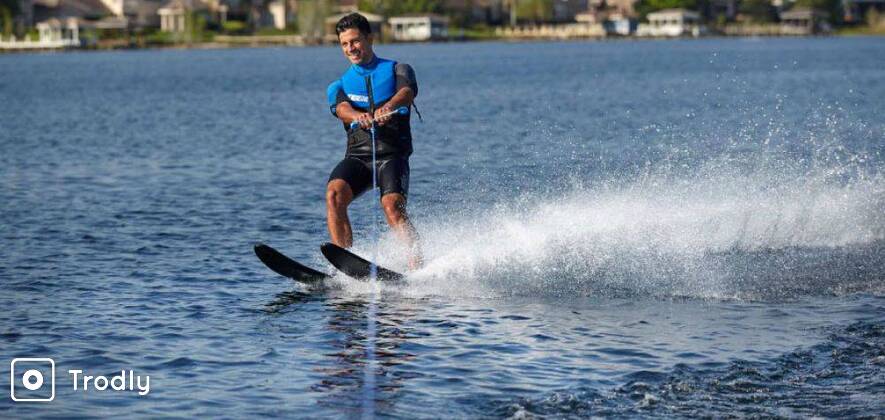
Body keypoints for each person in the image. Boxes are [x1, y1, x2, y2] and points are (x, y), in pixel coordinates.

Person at [325, 13, 422, 269]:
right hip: (359, 158)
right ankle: (345, 263)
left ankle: (417, 269)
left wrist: (387, 106)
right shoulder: (339, 84)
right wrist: (359, 116)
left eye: (355, 41)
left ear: (369, 38)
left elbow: (407, 92)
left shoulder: (398, 69)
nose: (350, 49)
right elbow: (341, 109)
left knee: (392, 207)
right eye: (344, 44)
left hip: (392, 156)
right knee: (334, 195)